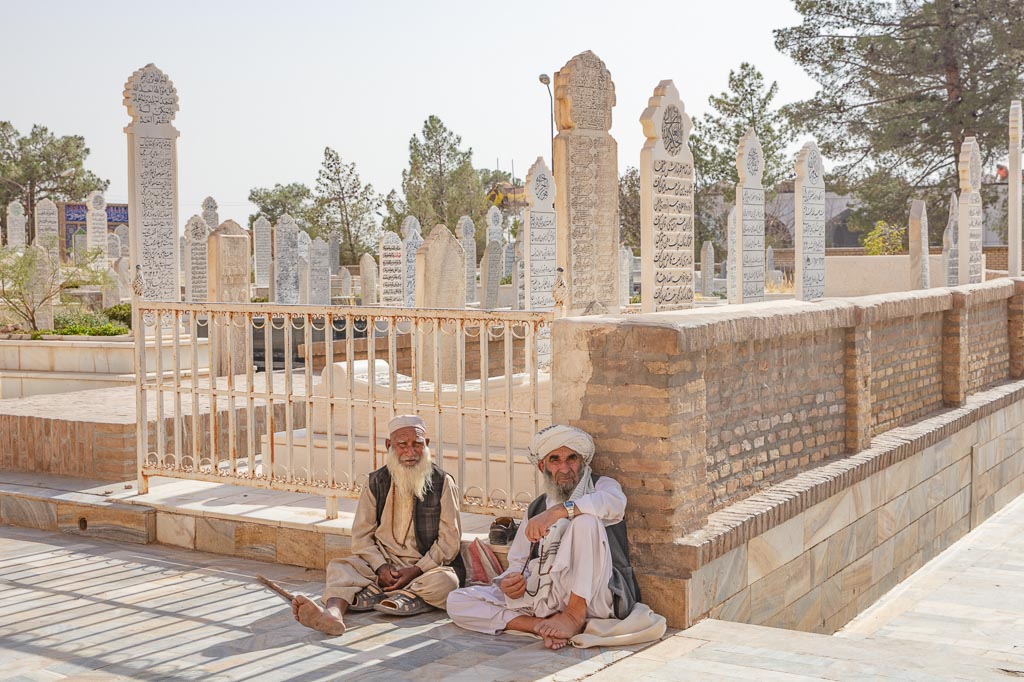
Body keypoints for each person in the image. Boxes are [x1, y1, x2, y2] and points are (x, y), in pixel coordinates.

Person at [446, 424, 640, 649]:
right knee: (457, 600)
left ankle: (573, 616)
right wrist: (511, 581)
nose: (565, 468)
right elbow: (518, 561)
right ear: (542, 466)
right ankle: (539, 625)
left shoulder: (602, 487)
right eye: (555, 459)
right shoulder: (537, 507)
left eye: (572, 458)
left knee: (586, 521)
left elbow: (615, 504)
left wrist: (557, 512)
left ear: (583, 462)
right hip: (547, 595)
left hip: (597, 595)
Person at [292, 415, 464, 636]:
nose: (410, 452)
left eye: (417, 444)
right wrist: (381, 567)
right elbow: (362, 535)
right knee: (340, 567)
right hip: (381, 564)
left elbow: (450, 539)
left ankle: (376, 593)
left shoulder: (443, 482)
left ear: (426, 445)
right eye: (402, 445)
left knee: (447, 581)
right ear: (389, 446)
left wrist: (416, 569)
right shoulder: (376, 482)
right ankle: (333, 613)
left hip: (425, 568)